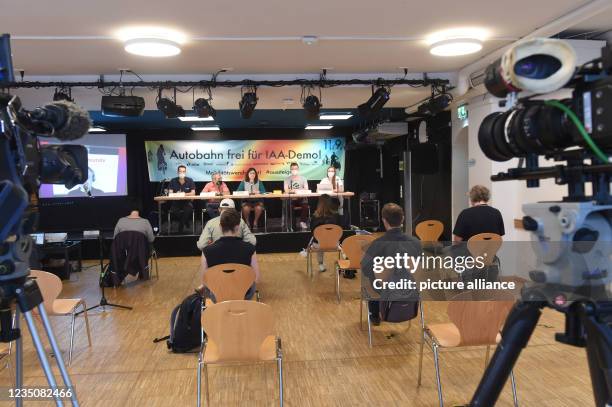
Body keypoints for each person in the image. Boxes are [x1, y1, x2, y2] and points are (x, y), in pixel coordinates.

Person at [361, 203, 421, 325]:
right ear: (402, 219)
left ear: (384, 221)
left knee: (371, 279)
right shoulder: (416, 242)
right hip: (410, 287)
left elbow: (365, 268)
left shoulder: (378, 244)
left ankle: (375, 315)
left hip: (384, 289)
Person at [199, 208, 260, 301]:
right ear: (238, 227)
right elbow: (256, 278)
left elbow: (205, 281)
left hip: (216, 296)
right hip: (244, 296)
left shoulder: (207, 251)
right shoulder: (250, 249)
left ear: (220, 226)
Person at [308, 194, 348, 272]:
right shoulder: (336, 216)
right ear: (330, 203)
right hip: (334, 244)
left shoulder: (314, 217)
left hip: (318, 245)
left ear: (319, 203)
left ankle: (320, 265)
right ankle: (344, 255)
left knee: (319, 243)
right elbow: (341, 229)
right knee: (337, 243)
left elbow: (312, 232)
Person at [168, 164, 196, 234]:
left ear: (185, 172)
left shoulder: (190, 180)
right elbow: (170, 193)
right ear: (177, 172)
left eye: (184, 171)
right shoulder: (173, 180)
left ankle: (181, 226)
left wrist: (184, 194)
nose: (182, 173)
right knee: (174, 210)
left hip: (186, 202)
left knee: (188, 209)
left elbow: (193, 193)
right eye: (180, 171)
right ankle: (185, 221)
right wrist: (176, 194)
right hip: (176, 202)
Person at [283, 162, 309, 230]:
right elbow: (286, 190)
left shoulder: (303, 178)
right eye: (292, 169)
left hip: (301, 198)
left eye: (295, 169)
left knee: (305, 206)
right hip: (291, 198)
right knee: (289, 206)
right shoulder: (287, 179)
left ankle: (302, 222)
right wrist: (294, 191)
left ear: (298, 169)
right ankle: (293, 224)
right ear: (290, 170)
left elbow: (306, 189)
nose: (294, 170)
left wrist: (295, 191)